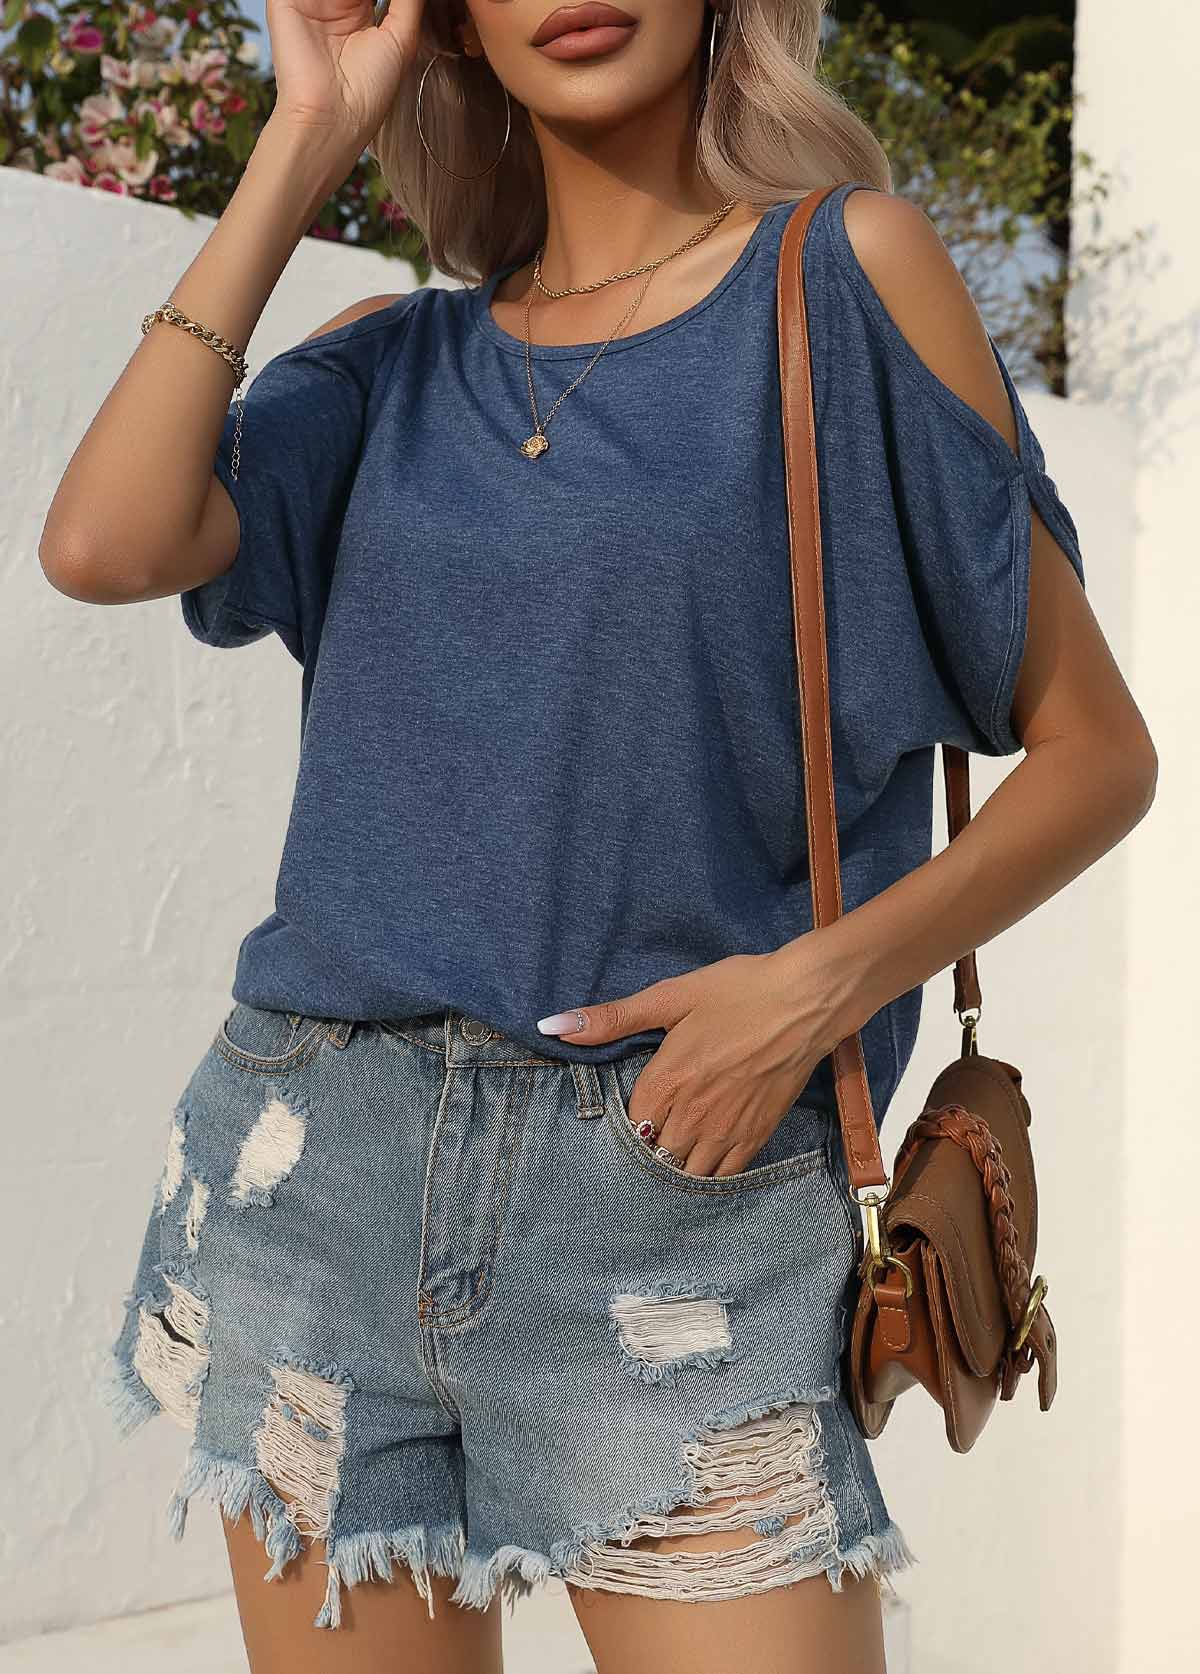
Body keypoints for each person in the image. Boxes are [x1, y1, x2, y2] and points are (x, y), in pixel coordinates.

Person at [38, 2, 1156, 1671]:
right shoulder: (389, 364)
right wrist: (310, 133)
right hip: (319, 1177)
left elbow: (1100, 756)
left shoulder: (845, 278)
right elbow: (102, 542)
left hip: (685, 1201)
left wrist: (810, 989)